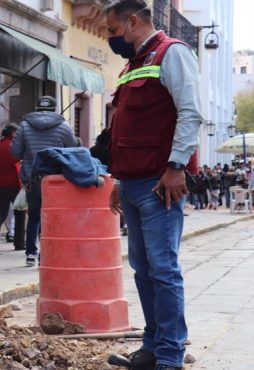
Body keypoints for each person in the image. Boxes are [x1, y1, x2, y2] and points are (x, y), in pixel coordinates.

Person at [105, 1, 202, 369]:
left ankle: (170, 357)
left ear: (132, 22)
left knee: (163, 269)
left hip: (159, 183)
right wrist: (117, 179)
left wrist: (177, 166)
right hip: (131, 183)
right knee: (144, 270)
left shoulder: (172, 53)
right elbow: (123, 130)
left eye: (114, 31)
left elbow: (190, 111)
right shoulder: (132, 65)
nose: (112, 39)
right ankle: (152, 347)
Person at [11, 95, 78, 267]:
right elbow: (71, 152)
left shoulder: (24, 126)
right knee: (50, 216)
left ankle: (30, 254)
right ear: (54, 109)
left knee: (33, 215)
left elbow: (15, 153)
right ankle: (45, 254)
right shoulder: (64, 127)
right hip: (56, 179)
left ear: (36, 107)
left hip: (32, 178)